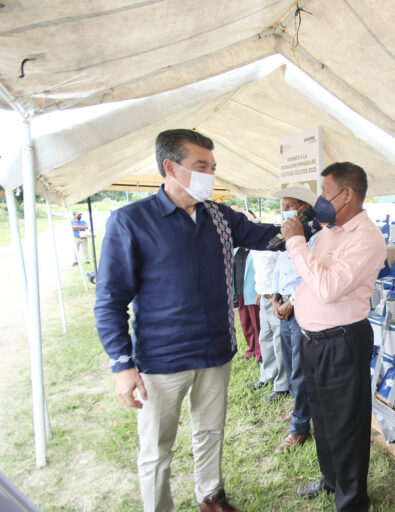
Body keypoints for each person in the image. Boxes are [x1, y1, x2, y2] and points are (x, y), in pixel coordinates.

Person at [94, 128, 280, 512]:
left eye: (212, 167)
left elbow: (265, 236)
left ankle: (211, 496)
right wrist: (122, 365)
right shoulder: (131, 221)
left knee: (210, 431)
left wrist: (307, 229)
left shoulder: (219, 216)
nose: (210, 174)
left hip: (215, 351)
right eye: (201, 166)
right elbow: (110, 299)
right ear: (171, 167)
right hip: (162, 360)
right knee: (156, 447)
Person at [281, 162, 386, 511]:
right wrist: (295, 302)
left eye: (326, 192)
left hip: (343, 342)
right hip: (313, 341)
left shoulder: (366, 238)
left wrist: (295, 241)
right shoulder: (329, 232)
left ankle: (352, 501)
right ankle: (331, 481)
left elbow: (327, 288)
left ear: (347, 195)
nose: (320, 199)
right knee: (323, 420)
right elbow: (312, 280)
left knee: (347, 425)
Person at [271, 184, 318, 454]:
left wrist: (292, 302)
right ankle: (298, 410)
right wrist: (277, 297)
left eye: (289, 206)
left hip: (301, 307)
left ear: (303, 208)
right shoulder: (286, 235)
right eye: (283, 206)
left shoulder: (313, 236)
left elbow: (309, 276)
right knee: (289, 363)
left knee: (300, 369)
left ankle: (300, 427)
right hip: (284, 305)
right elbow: (282, 267)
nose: (285, 211)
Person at [250, 249, 290, 402]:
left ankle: (282, 385)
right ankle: (267, 375)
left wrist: (276, 296)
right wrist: (260, 290)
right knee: (265, 338)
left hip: (277, 298)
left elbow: (282, 269)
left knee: (279, 342)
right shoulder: (253, 244)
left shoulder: (273, 242)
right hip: (263, 296)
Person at [233, 247, 261, 361]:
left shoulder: (255, 251)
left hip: (252, 292)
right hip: (240, 291)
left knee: (256, 324)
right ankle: (252, 349)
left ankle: (260, 353)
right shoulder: (236, 251)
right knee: (246, 324)